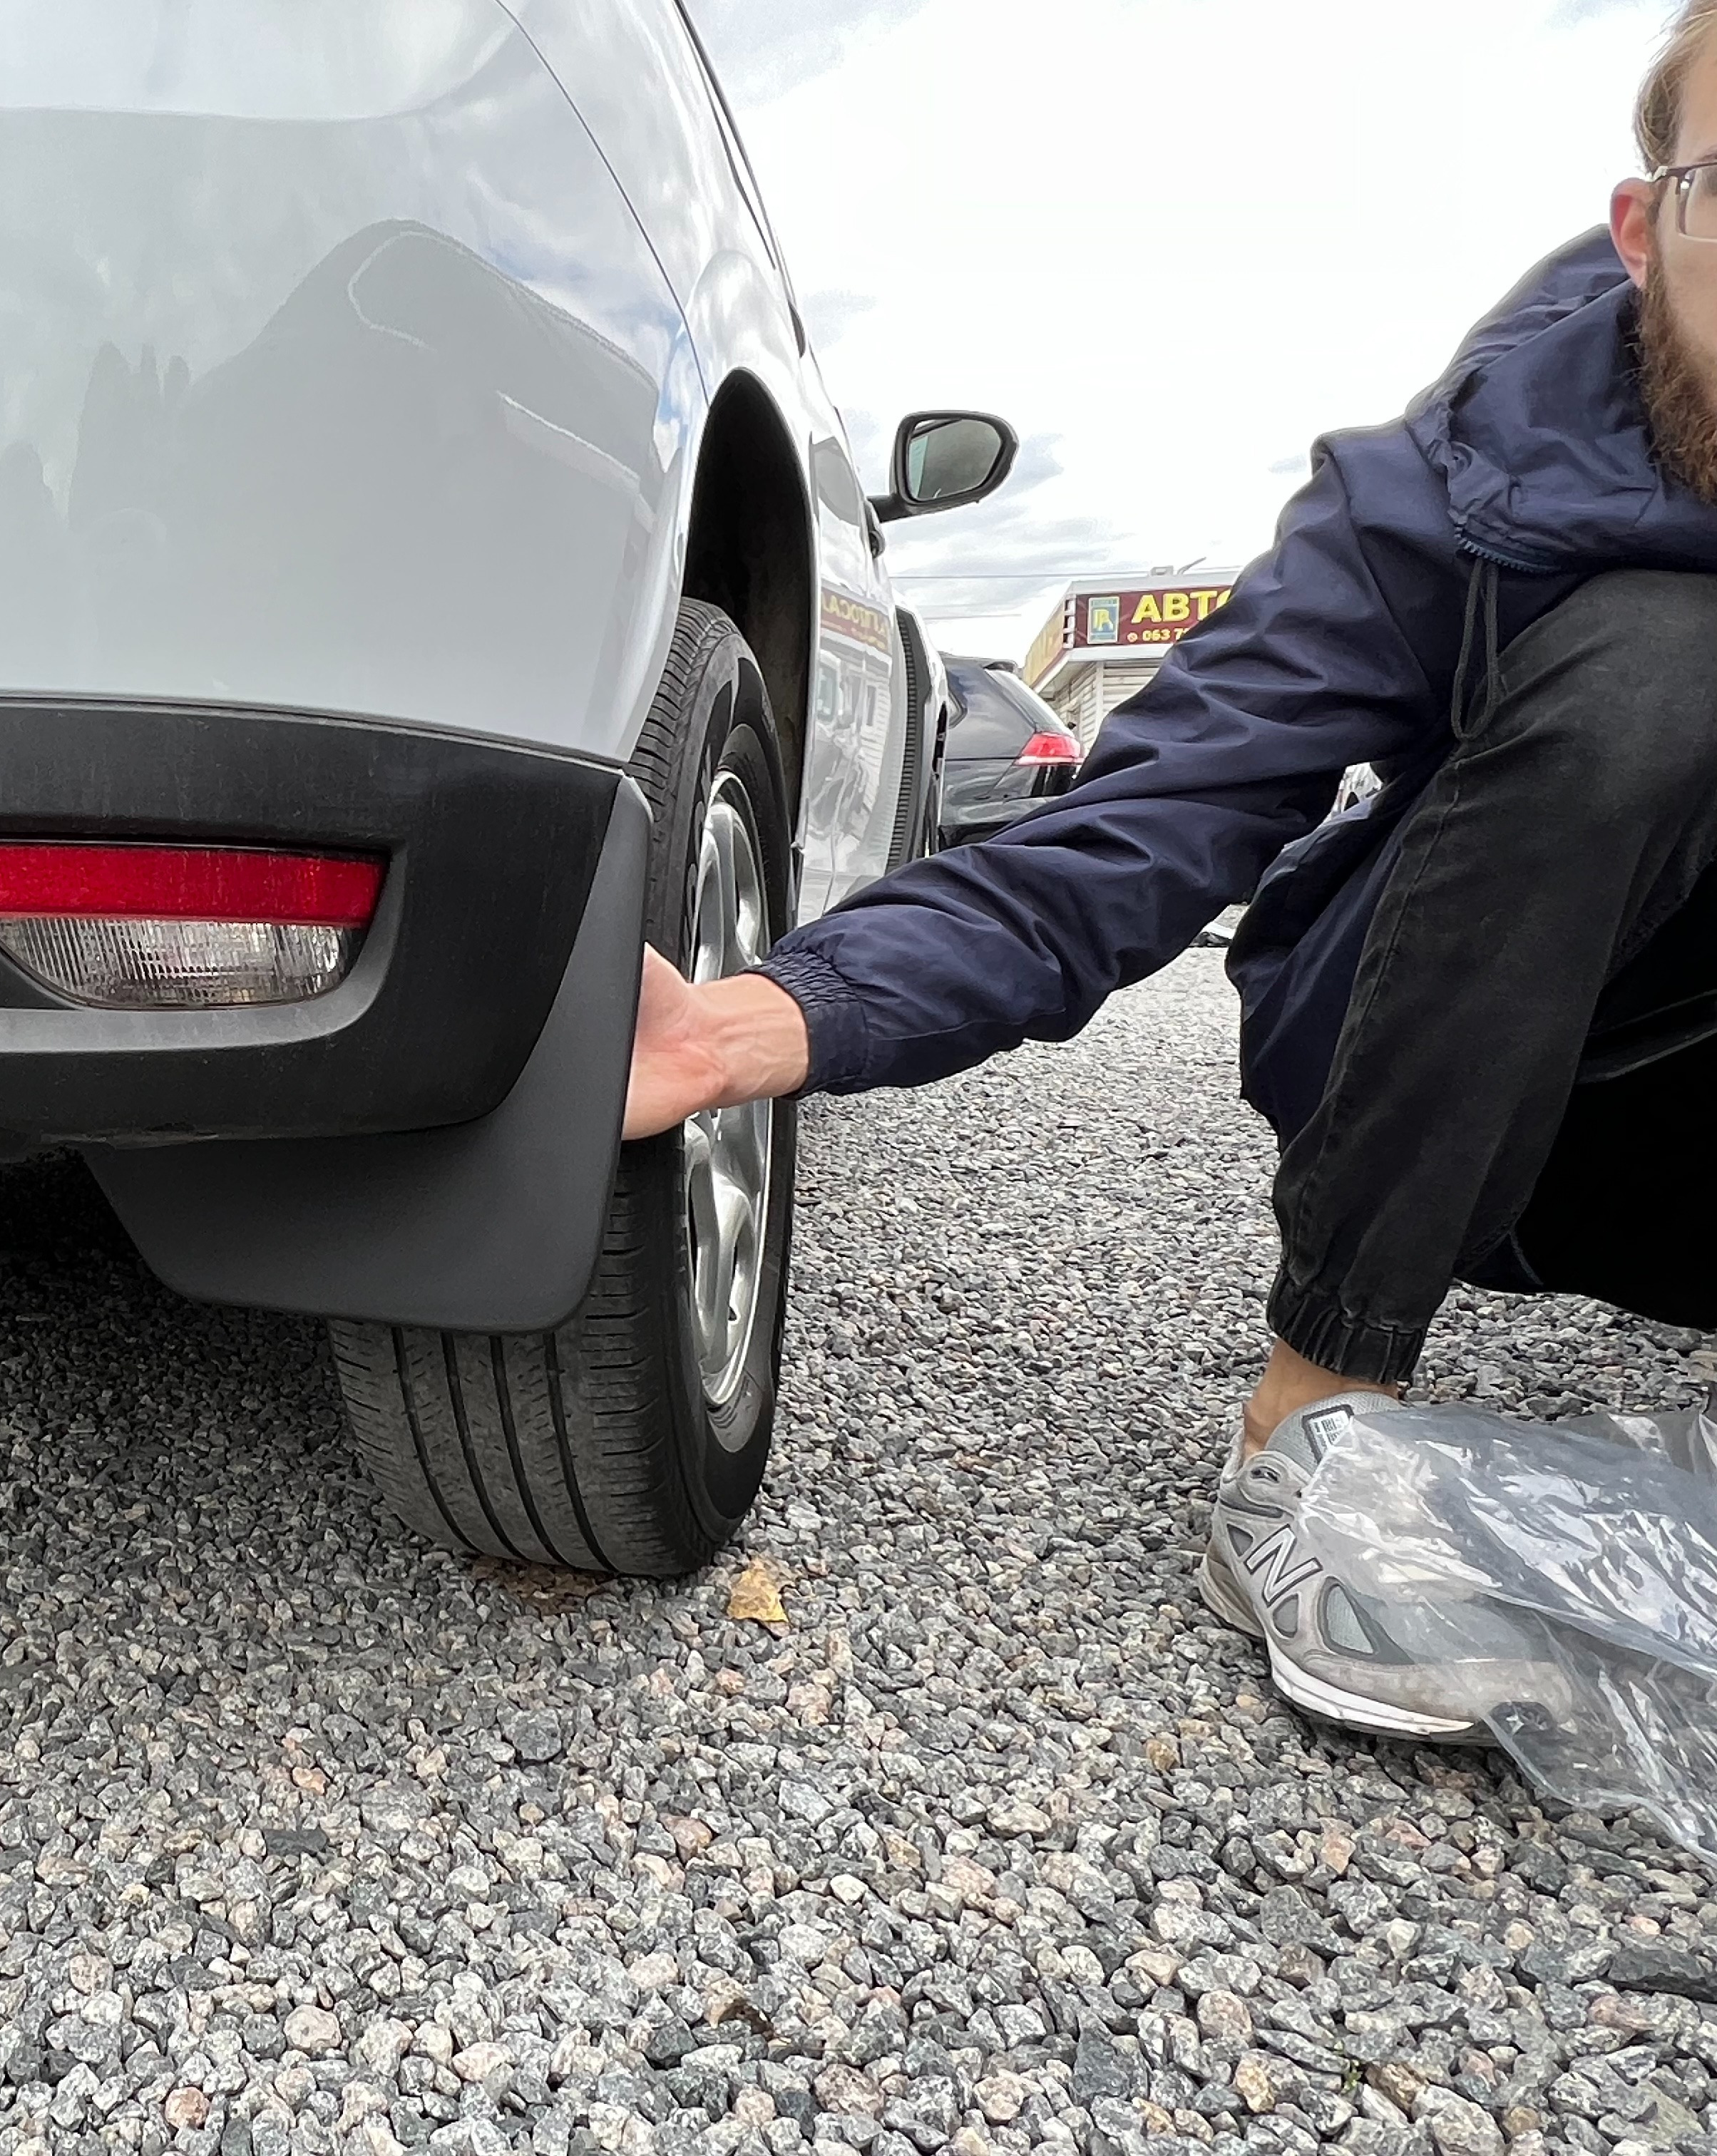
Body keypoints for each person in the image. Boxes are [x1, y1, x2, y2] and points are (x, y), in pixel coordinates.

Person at [622, 0, 1717, 1744]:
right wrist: (770, 1015)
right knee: (1670, 668)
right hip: (1492, 1056)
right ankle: (1314, 1425)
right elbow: (1142, 826)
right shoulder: (1464, 482)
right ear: (1645, 230)